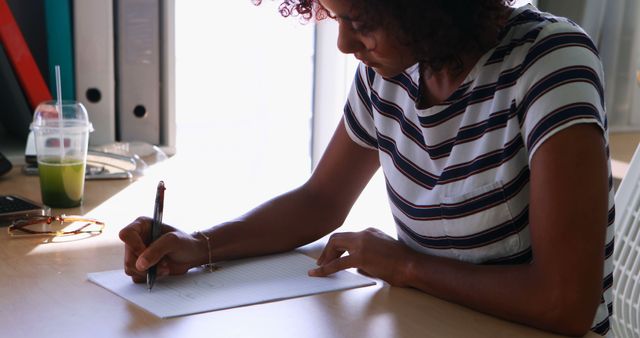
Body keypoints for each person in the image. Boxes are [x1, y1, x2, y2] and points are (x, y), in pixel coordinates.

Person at [119, 0, 614, 336]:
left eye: (361, 20)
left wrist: (406, 264)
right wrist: (200, 245)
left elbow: (564, 303)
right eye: (334, 16)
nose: (343, 45)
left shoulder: (548, 62)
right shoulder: (394, 72)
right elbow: (320, 201)